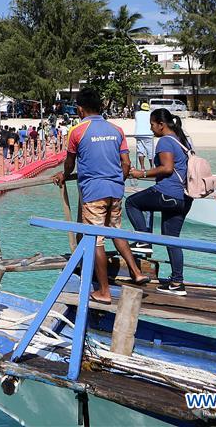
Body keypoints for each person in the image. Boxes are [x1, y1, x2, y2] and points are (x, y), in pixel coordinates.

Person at [53, 88, 149, 304]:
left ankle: (103, 291)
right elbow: (126, 163)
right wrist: (117, 181)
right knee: (115, 230)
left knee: (96, 240)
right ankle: (136, 272)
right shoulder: (116, 129)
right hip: (115, 190)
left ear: (79, 109)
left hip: (93, 192)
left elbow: (70, 163)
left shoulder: (77, 131)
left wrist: (64, 174)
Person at [125, 109, 194, 295]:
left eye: (152, 124)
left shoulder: (165, 141)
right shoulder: (184, 140)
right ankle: (177, 283)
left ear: (161, 125)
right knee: (172, 240)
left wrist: (143, 173)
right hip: (184, 197)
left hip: (168, 193)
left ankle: (143, 240)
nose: (151, 128)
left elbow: (167, 168)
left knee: (132, 203)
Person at [133, 102, 154, 170]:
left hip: (138, 134)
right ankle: (152, 168)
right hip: (148, 134)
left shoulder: (137, 113)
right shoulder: (151, 114)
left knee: (140, 151)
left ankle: (142, 167)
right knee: (150, 151)